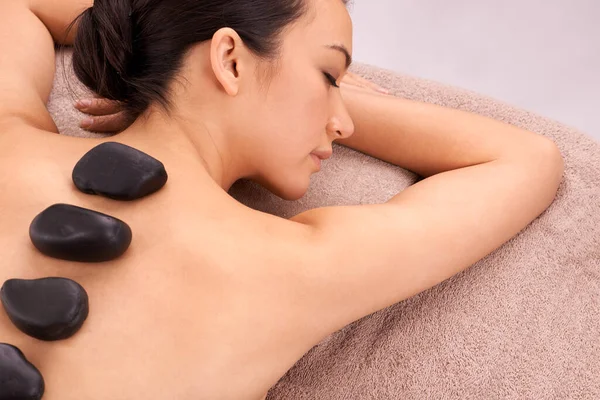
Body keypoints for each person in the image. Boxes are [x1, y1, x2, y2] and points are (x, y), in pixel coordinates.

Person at [0, 0, 564, 398]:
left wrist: (152, 64)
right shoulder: (290, 269)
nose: (341, 123)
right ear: (231, 59)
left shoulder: (10, 147)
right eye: (329, 73)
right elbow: (526, 159)